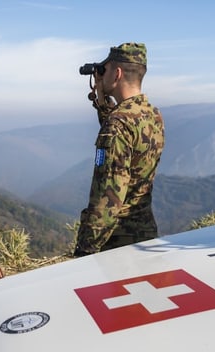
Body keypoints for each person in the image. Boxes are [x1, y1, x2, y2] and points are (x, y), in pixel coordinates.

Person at [73, 42, 165, 257]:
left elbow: (108, 200)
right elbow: (124, 136)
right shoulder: (152, 115)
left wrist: (84, 251)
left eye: (104, 70)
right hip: (145, 235)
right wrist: (102, 101)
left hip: (117, 244)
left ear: (117, 73)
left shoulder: (117, 125)